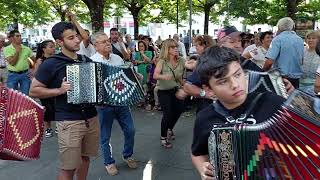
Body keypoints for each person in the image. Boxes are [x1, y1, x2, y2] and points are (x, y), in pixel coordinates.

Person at [191, 46, 286, 180]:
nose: (235, 85)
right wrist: (202, 169)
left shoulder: (272, 103)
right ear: (209, 89)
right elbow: (197, 153)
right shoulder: (205, 118)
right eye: (223, 81)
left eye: (237, 74)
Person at [29, 22, 99, 180]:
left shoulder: (85, 59)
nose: (77, 41)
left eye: (77, 37)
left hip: (91, 117)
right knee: (68, 168)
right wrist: (59, 90)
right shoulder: (51, 63)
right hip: (69, 120)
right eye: (71, 38)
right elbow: (33, 90)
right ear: (60, 42)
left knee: (85, 159)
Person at [90, 32, 137, 176]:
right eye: (103, 42)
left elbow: (126, 75)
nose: (108, 43)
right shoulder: (91, 61)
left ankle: (127, 154)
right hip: (103, 105)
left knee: (130, 130)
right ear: (95, 45)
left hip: (121, 101)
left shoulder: (117, 58)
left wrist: (135, 75)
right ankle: (108, 162)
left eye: (108, 40)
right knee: (105, 136)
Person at [153, 39, 186, 148]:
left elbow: (179, 76)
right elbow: (155, 75)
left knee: (179, 110)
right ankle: (163, 137)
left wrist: (184, 86)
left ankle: (169, 128)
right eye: (173, 47)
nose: (176, 49)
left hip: (175, 89)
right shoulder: (162, 61)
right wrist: (163, 76)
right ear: (167, 49)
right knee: (167, 114)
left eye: (176, 47)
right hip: (163, 91)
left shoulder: (181, 60)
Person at [264, 17, 304, 88]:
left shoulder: (278, 39)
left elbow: (269, 61)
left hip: (282, 79)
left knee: (282, 98)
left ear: (279, 27)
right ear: (292, 27)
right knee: (293, 98)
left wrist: (263, 71)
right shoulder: (300, 39)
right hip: (297, 78)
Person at [34, 40, 56, 138]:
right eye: (51, 47)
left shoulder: (56, 59)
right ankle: (48, 127)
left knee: (57, 106)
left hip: (56, 86)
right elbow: (35, 74)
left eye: (53, 46)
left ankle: (59, 126)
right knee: (47, 108)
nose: (53, 48)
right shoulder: (40, 61)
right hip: (44, 87)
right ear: (44, 49)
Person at [4, 30, 35, 95]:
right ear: (12, 38)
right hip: (12, 75)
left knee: (25, 96)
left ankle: (24, 105)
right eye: (17, 36)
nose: (20, 37)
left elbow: (33, 60)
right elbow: (12, 63)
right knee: (12, 96)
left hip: (25, 74)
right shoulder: (7, 49)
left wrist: (32, 70)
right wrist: (17, 52)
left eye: (20, 36)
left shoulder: (27, 49)